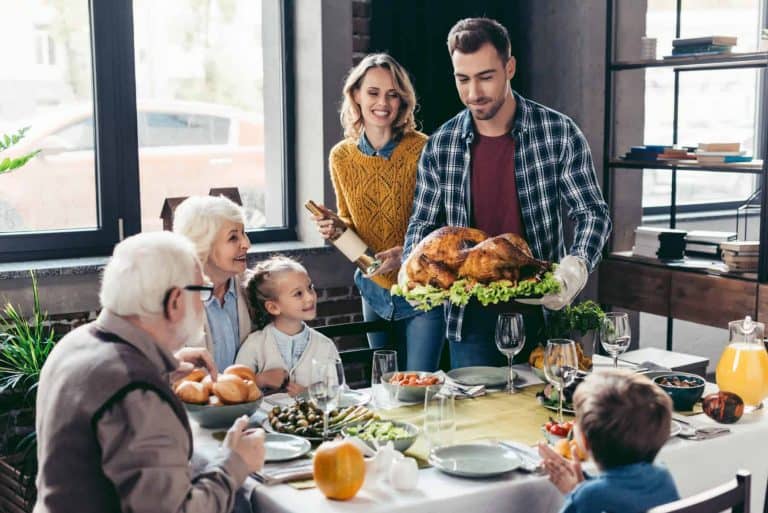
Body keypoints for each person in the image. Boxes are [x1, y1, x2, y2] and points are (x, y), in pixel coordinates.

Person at [402, 18, 612, 368]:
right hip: (470, 321)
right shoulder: (441, 145)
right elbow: (422, 223)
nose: (473, 93)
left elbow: (592, 212)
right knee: (479, 421)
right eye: (462, 79)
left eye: (485, 77)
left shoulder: (558, 133)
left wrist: (576, 266)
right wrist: (411, 264)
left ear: (509, 68)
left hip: (544, 312)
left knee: (546, 416)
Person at [34, 232, 265, 513]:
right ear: (176, 301)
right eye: (202, 290)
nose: (203, 302)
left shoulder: (76, 343)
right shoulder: (137, 392)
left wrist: (159, 369)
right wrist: (235, 463)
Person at [312, 52, 445, 371]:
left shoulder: (424, 149)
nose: (382, 102)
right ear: (356, 95)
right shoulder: (340, 157)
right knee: (386, 391)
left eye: (392, 94)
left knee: (420, 390)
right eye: (373, 92)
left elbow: (444, 225)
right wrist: (335, 229)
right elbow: (349, 221)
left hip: (423, 291)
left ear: (402, 101)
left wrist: (408, 255)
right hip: (374, 290)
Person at [173, 195, 283, 389]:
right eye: (233, 237)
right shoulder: (173, 299)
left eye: (244, 233)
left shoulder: (253, 288)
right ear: (202, 245)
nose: (246, 244)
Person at [538, 369, 679, 513]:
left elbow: (602, 495)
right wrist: (581, 487)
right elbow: (622, 494)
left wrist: (573, 494)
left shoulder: (588, 497)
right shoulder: (664, 478)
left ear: (585, 442)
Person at [236, 256, 340, 396]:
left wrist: (308, 393)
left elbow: (337, 391)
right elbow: (235, 386)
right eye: (298, 294)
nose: (310, 297)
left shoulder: (325, 346)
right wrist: (260, 379)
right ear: (273, 307)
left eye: (310, 287)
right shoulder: (254, 344)